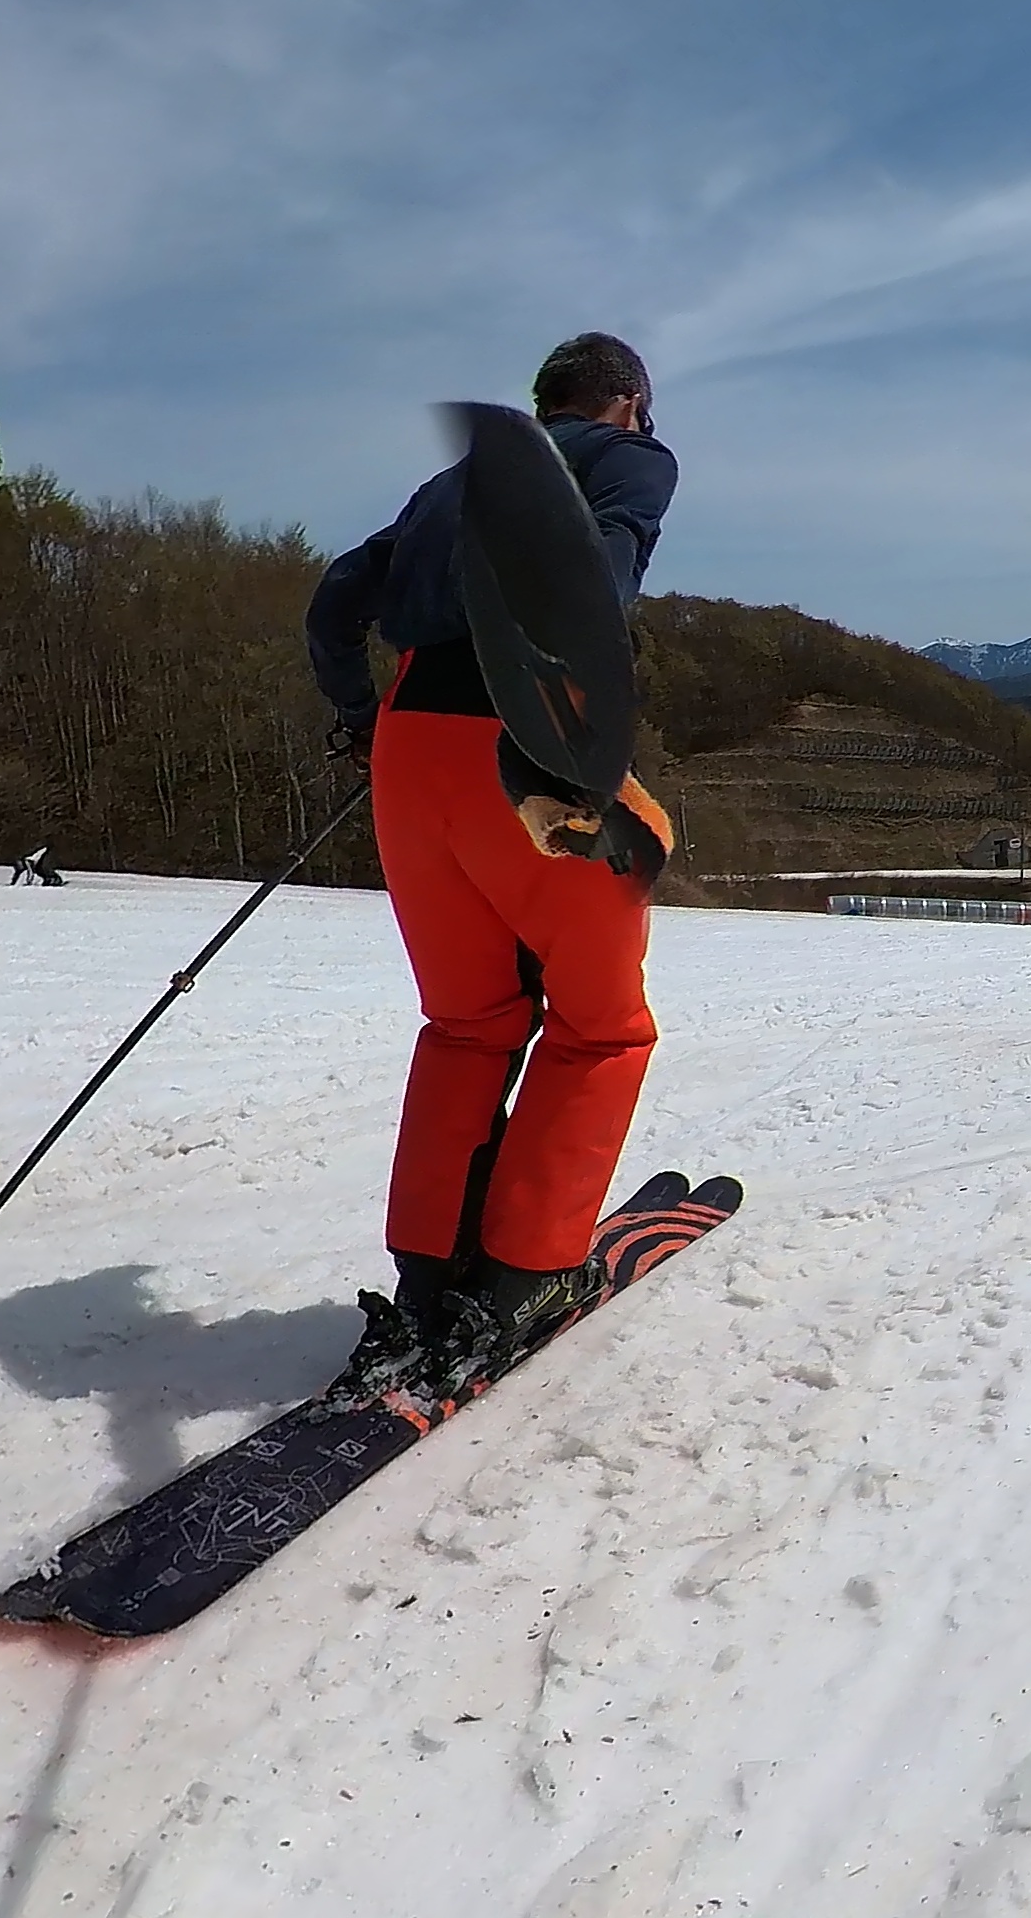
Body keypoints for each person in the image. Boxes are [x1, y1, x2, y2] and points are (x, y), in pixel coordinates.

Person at [305, 332, 679, 1400]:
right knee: (601, 1026)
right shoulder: (628, 459)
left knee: (468, 1022)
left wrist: (358, 715)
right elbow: (596, 589)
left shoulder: (448, 486)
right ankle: (525, 1277)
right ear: (628, 401)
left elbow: (335, 602)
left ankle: (428, 1278)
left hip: (408, 749)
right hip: (521, 752)